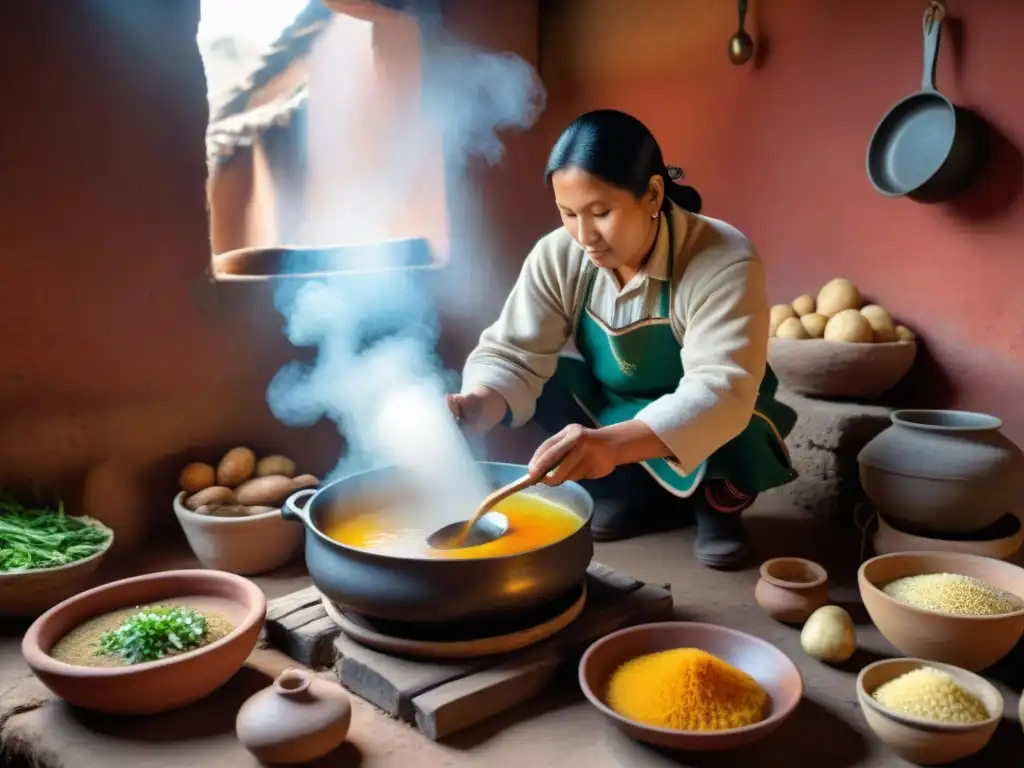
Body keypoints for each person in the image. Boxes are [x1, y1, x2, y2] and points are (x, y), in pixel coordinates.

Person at [447, 109, 797, 569]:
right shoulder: (560, 254)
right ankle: (632, 495)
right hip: (617, 403)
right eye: (568, 214)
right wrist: (475, 406)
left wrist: (610, 446)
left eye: (601, 212)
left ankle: (714, 509)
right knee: (549, 385)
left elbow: (720, 388)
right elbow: (515, 353)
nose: (584, 236)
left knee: (741, 420)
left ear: (652, 194)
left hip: (711, 413)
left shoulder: (721, 256)